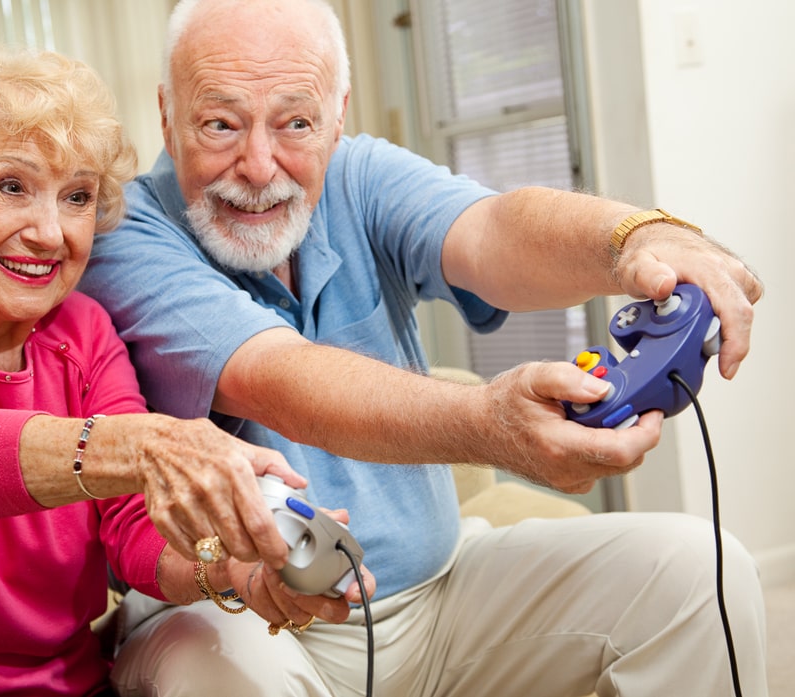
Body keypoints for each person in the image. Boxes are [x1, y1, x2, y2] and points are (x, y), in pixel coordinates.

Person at [78, 0, 771, 695]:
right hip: (234, 616)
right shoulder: (124, 234)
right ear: (167, 116)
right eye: (221, 123)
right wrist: (491, 426)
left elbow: (495, 230)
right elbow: (282, 379)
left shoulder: (358, 175)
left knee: (698, 571)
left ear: (338, 114)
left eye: (296, 122)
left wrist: (640, 240)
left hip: (440, 591)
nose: (259, 166)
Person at [0, 42, 322, 696]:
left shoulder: (83, 329)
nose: (50, 232)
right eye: (12, 186)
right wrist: (153, 443)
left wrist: (238, 575)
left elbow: (132, 527)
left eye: (77, 196)